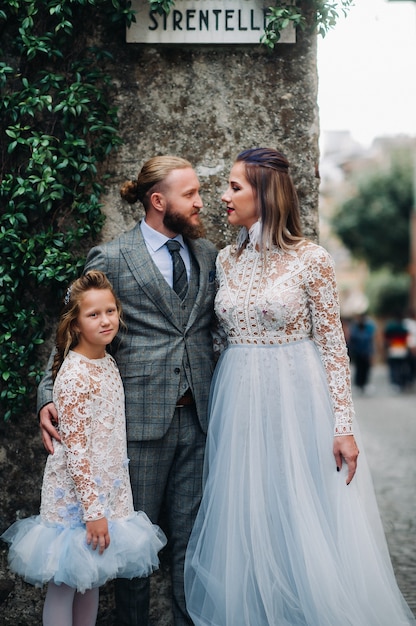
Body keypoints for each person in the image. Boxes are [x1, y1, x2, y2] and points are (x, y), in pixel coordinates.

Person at [184, 148, 416, 625]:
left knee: (303, 510)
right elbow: (216, 338)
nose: (223, 196)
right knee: (247, 511)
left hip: (299, 399)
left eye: (235, 186)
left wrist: (344, 427)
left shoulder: (312, 260)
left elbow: (333, 345)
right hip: (238, 402)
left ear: (265, 194)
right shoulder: (226, 260)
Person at [37, 156, 218, 626]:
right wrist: (47, 395)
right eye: (191, 194)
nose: (202, 203)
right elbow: (69, 328)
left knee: (190, 544)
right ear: (159, 201)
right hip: (136, 428)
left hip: (199, 420)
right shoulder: (113, 257)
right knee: (131, 552)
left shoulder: (208, 256)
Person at [1, 270, 166, 626]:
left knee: (90, 580)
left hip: (105, 493)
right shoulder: (75, 376)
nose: (106, 320)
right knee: (64, 584)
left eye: (111, 311)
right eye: (93, 314)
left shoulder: (106, 361)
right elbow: (76, 451)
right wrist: (93, 511)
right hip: (76, 502)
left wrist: (107, 505)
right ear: (75, 324)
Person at [348, 312, 376, 393]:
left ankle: (365, 384)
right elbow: (351, 342)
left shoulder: (368, 329)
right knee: (359, 369)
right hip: (358, 353)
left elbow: (371, 342)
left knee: (366, 369)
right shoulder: (355, 329)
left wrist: (372, 354)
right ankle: (358, 384)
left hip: (366, 353)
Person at [384, 311, 410, 391]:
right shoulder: (404, 326)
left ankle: (395, 382)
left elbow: (386, 338)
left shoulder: (391, 326)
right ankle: (401, 382)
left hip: (393, 349)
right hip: (402, 349)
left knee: (394, 367)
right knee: (401, 367)